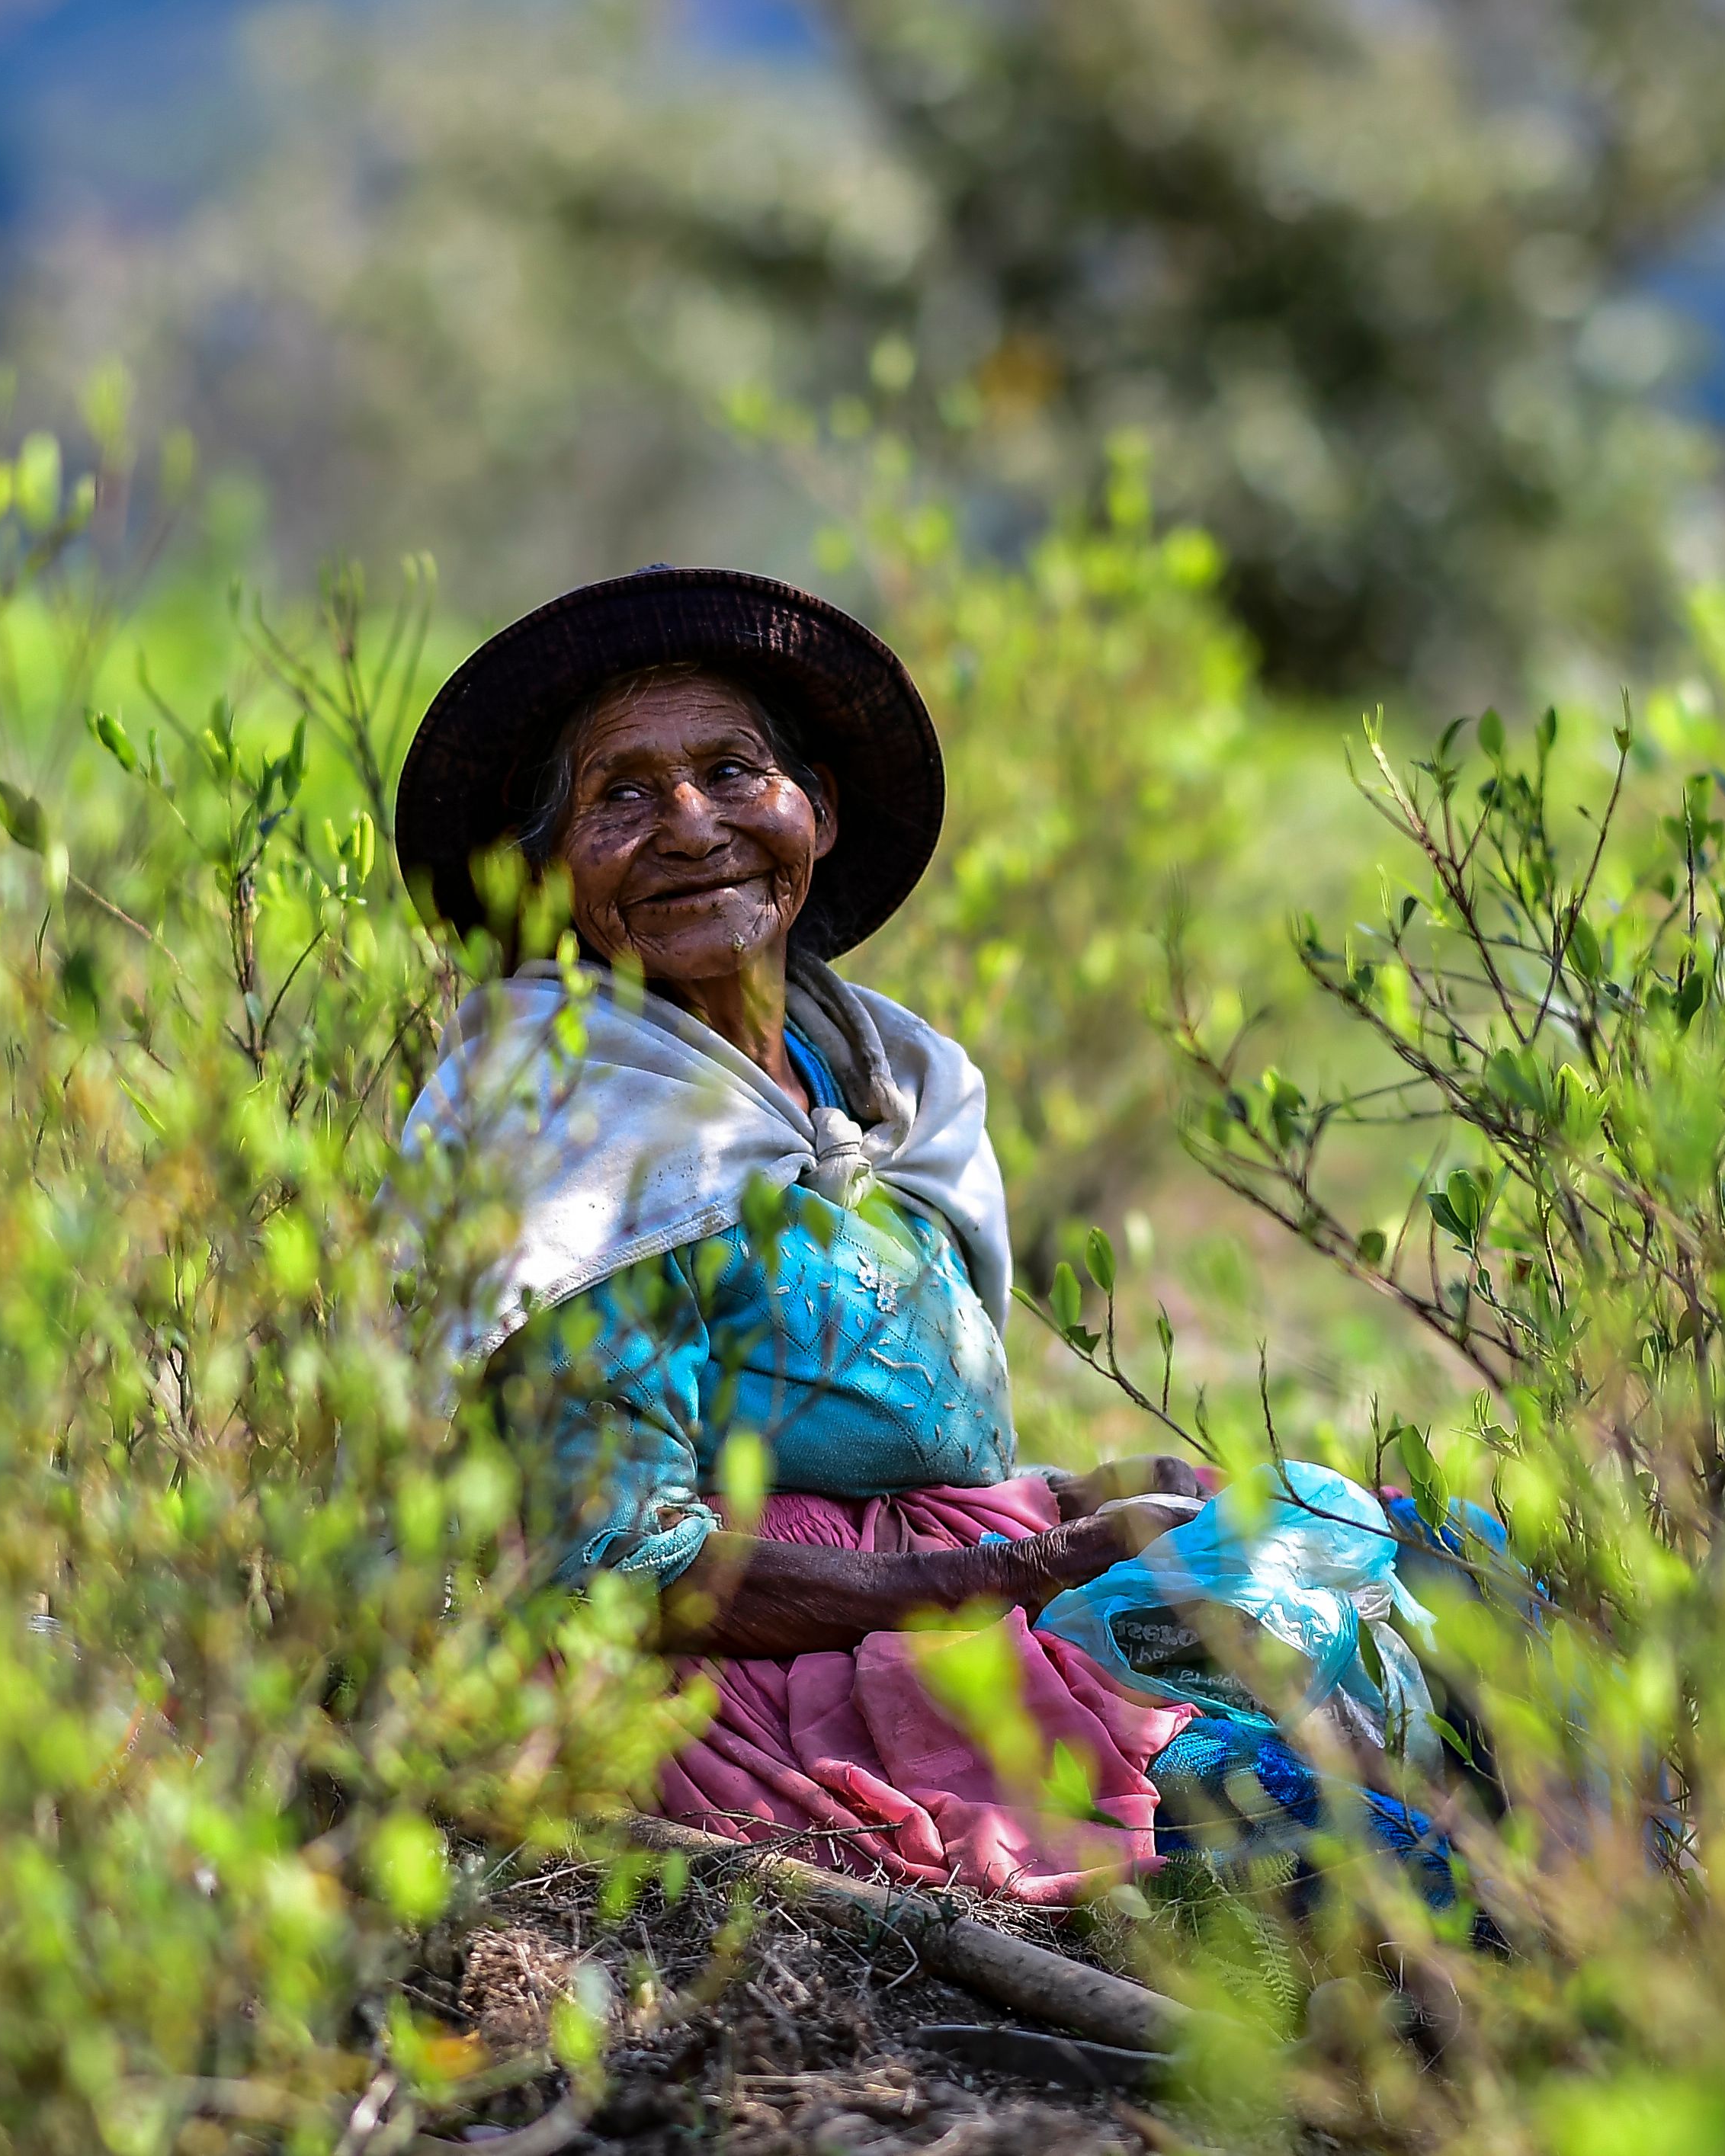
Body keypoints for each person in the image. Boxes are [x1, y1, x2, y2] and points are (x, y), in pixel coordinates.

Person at [393, 565, 1232, 1901]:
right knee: (1274, 1751)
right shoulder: (559, 1129)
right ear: (547, 876)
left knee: (1361, 1546)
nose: (688, 824)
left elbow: (897, 1453)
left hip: (923, 1587)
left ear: (816, 811)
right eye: (619, 796)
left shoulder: (891, 1080)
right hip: (726, 1667)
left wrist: (1072, 1499)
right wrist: (1021, 1568)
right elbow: (618, 1563)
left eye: (733, 770)